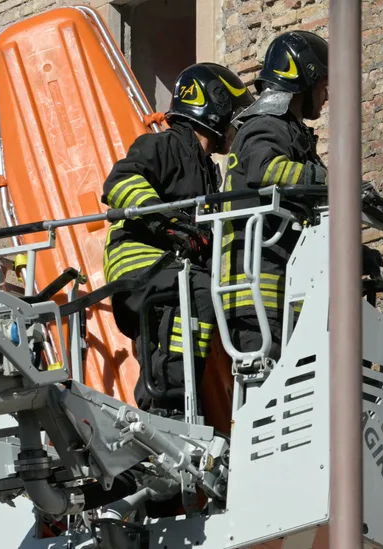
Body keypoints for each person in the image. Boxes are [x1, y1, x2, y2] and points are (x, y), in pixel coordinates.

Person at [100, 62, 253, 413]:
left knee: (200, 300)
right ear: (214, 106)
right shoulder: (163, 145)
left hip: (169, 268)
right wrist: (171, 224)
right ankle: (169, 401)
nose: (238, 125)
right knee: (197, 293)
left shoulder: (207, 171)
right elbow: (120, 184)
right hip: (141, 262)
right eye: (235, 113)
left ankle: (175, 403)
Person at [219, 30, 329, 364]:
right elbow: (265, 169)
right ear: (305, 79)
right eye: (323, 84)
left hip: (282, 282)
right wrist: (330, 180)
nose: (326, 96)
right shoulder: (265, 125)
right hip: (258, 286)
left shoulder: (289, 131)